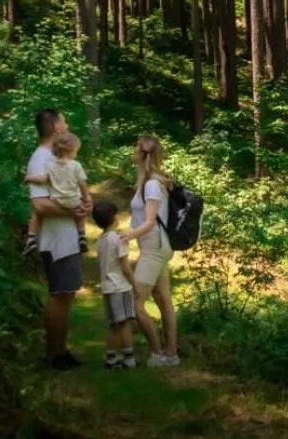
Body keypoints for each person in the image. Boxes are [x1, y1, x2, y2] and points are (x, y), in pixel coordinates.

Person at [24, 109, 88, 369]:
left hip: (66, 237)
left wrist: (82, 207)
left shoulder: (54, 158)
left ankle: (60, 351)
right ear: (56, 128)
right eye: (64, 121)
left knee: (66, 294)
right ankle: (53, 355)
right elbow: (39, 205)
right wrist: (75, 210)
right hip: (56, 240)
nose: (68, 124)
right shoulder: (40, 160)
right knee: (59, 294)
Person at [123, 134, 180, 367]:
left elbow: (149, 222)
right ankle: (172, 353)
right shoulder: (146, 182)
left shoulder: (153, 184)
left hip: (154, 248)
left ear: (144, 154)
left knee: (133, 301)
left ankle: (158, 354)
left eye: (136, 147)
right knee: (162, 298)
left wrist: (126, 236)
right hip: (154, 246)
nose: (133, 151)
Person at [24, 131, 90, 255]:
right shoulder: (76, 165)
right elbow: (82, 185)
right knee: (81, 210)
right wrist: (86, 199)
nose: (76, 154)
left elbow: (43, 179)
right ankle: (81, 235)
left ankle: (31, 238)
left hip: (57, 201)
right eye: (76, 151)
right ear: (70, 151)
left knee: (36, 212)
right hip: (73, 201)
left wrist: (29, 178)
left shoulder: (50, 165)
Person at [92, 200, 138, 371]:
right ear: (113, 218)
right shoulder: (119, 240)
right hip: (120, 286)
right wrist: (135, 285)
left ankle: (111, 359)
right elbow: (125, 267)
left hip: (107, 287)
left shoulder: (101, 240)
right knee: (124, 322)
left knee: (113, 324)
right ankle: (129, 359)